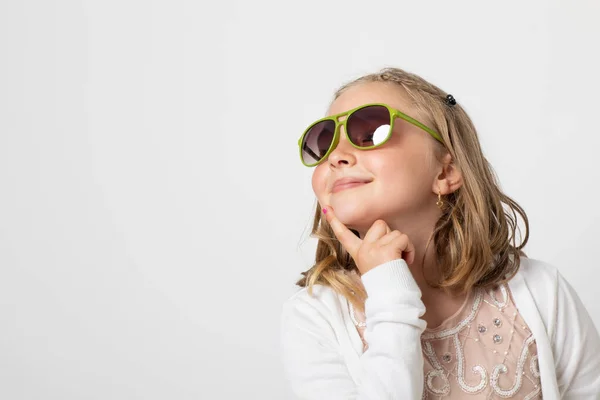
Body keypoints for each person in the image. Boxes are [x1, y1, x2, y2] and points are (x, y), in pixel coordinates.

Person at [280, 67, 600, 399]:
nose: (336, 157)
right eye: (324, 141)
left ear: (445, 172)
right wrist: (390, 294)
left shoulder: (541, 293)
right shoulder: (313, 319)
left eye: (371, 131)